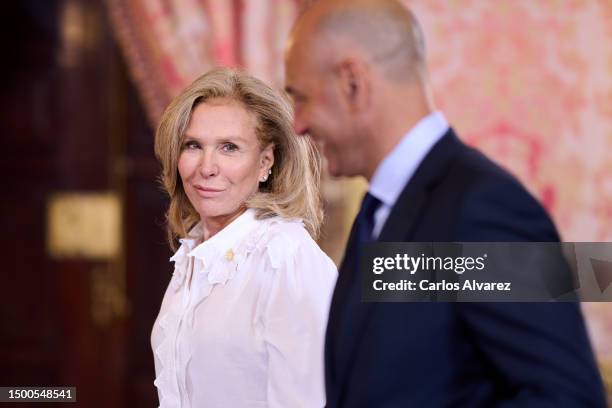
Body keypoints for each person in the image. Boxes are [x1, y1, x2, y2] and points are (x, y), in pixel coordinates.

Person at [284, 0, 607, 407]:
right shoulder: (378, 213)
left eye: (302, 99)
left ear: (353, 82)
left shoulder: (483, 208)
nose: (298, 124)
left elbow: (567, 399)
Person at [151, 67, 337, 408]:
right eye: (193, 145)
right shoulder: (195, 255)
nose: (206, 167)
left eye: (229, 148)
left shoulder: (287, 260)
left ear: (266, 160)